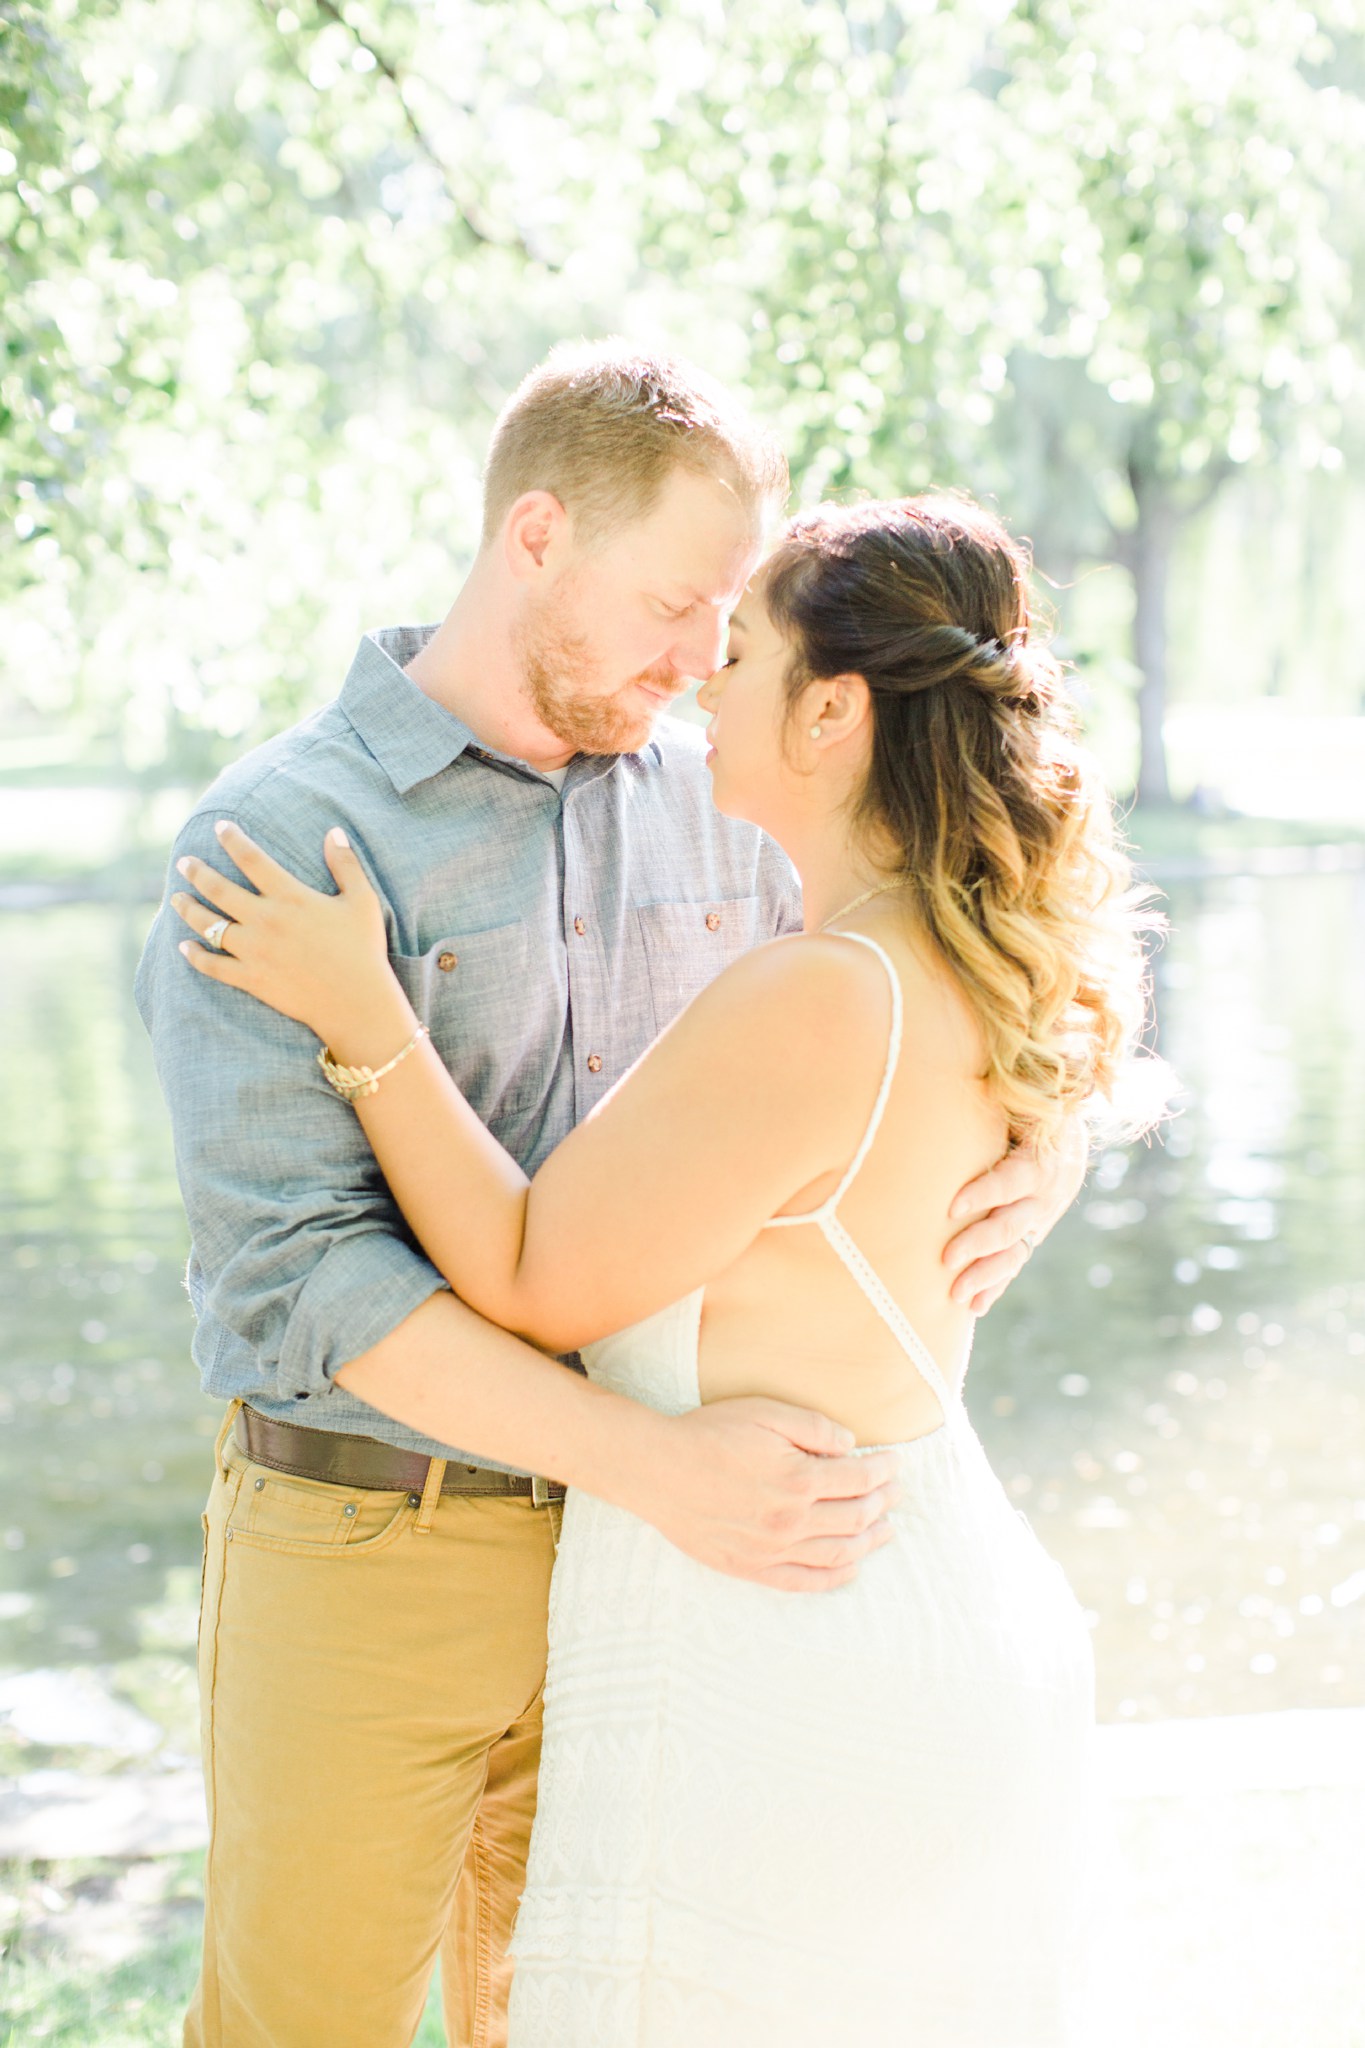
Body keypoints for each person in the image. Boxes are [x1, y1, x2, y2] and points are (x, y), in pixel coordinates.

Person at [138, 342, 1082, 2048]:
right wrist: (651, 1463)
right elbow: (301, 1279)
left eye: (729, 621)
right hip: (379, 1545)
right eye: (673, 606)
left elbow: (981, 942)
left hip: (662, 1581)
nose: (699, 655)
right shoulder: (277, 846)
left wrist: (1051, 1140)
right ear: (539, 538)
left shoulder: (740, 795)